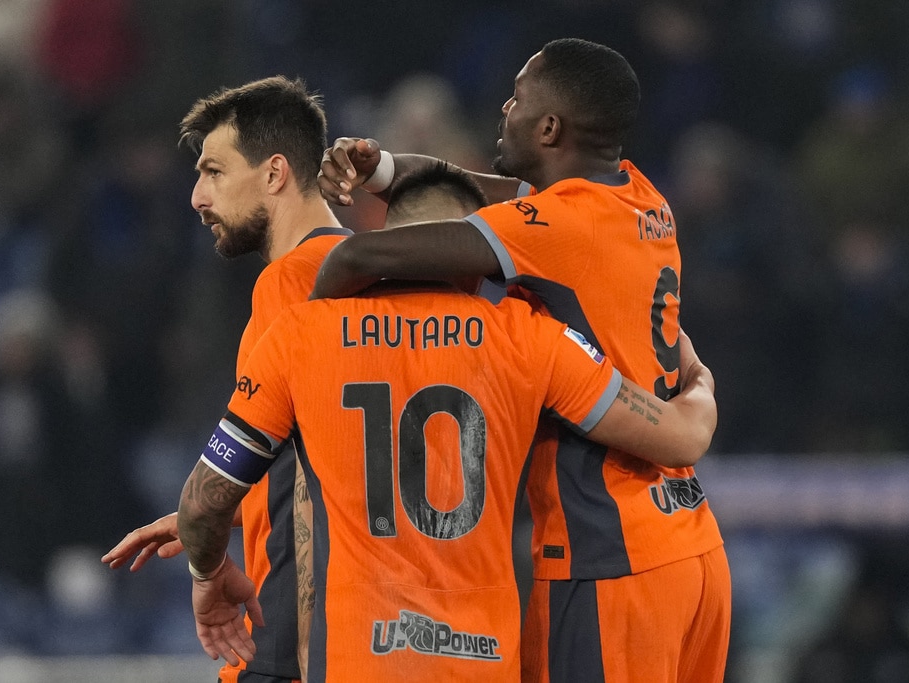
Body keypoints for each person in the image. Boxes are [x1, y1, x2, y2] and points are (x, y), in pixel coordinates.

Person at [177, 165, 719, 682]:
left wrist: (208, 572)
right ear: (471, 257)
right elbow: (678, 437)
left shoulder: (300, 332)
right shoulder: (530, 337)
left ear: (390, 239)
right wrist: (697, 383)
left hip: (357, 660)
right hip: (482, 660)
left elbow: (204, 503)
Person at [314, 38, 730, 682]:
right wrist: (385, 169)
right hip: (691, 550)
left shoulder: (555, 229)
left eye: (516, 97)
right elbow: (489, 191)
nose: (503, 108)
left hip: (607, 555)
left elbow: (361, 257)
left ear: (549, 126)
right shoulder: (642, 198)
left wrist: (317, 335)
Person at [101, 75, 353, 683]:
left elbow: (210, 491)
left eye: (214, 171)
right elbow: (341, 457)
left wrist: (207, 559)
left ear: (274, 174)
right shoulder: (377, 284)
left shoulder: (292, 284)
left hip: (292, 628)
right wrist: (239, 507)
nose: (196, 196)